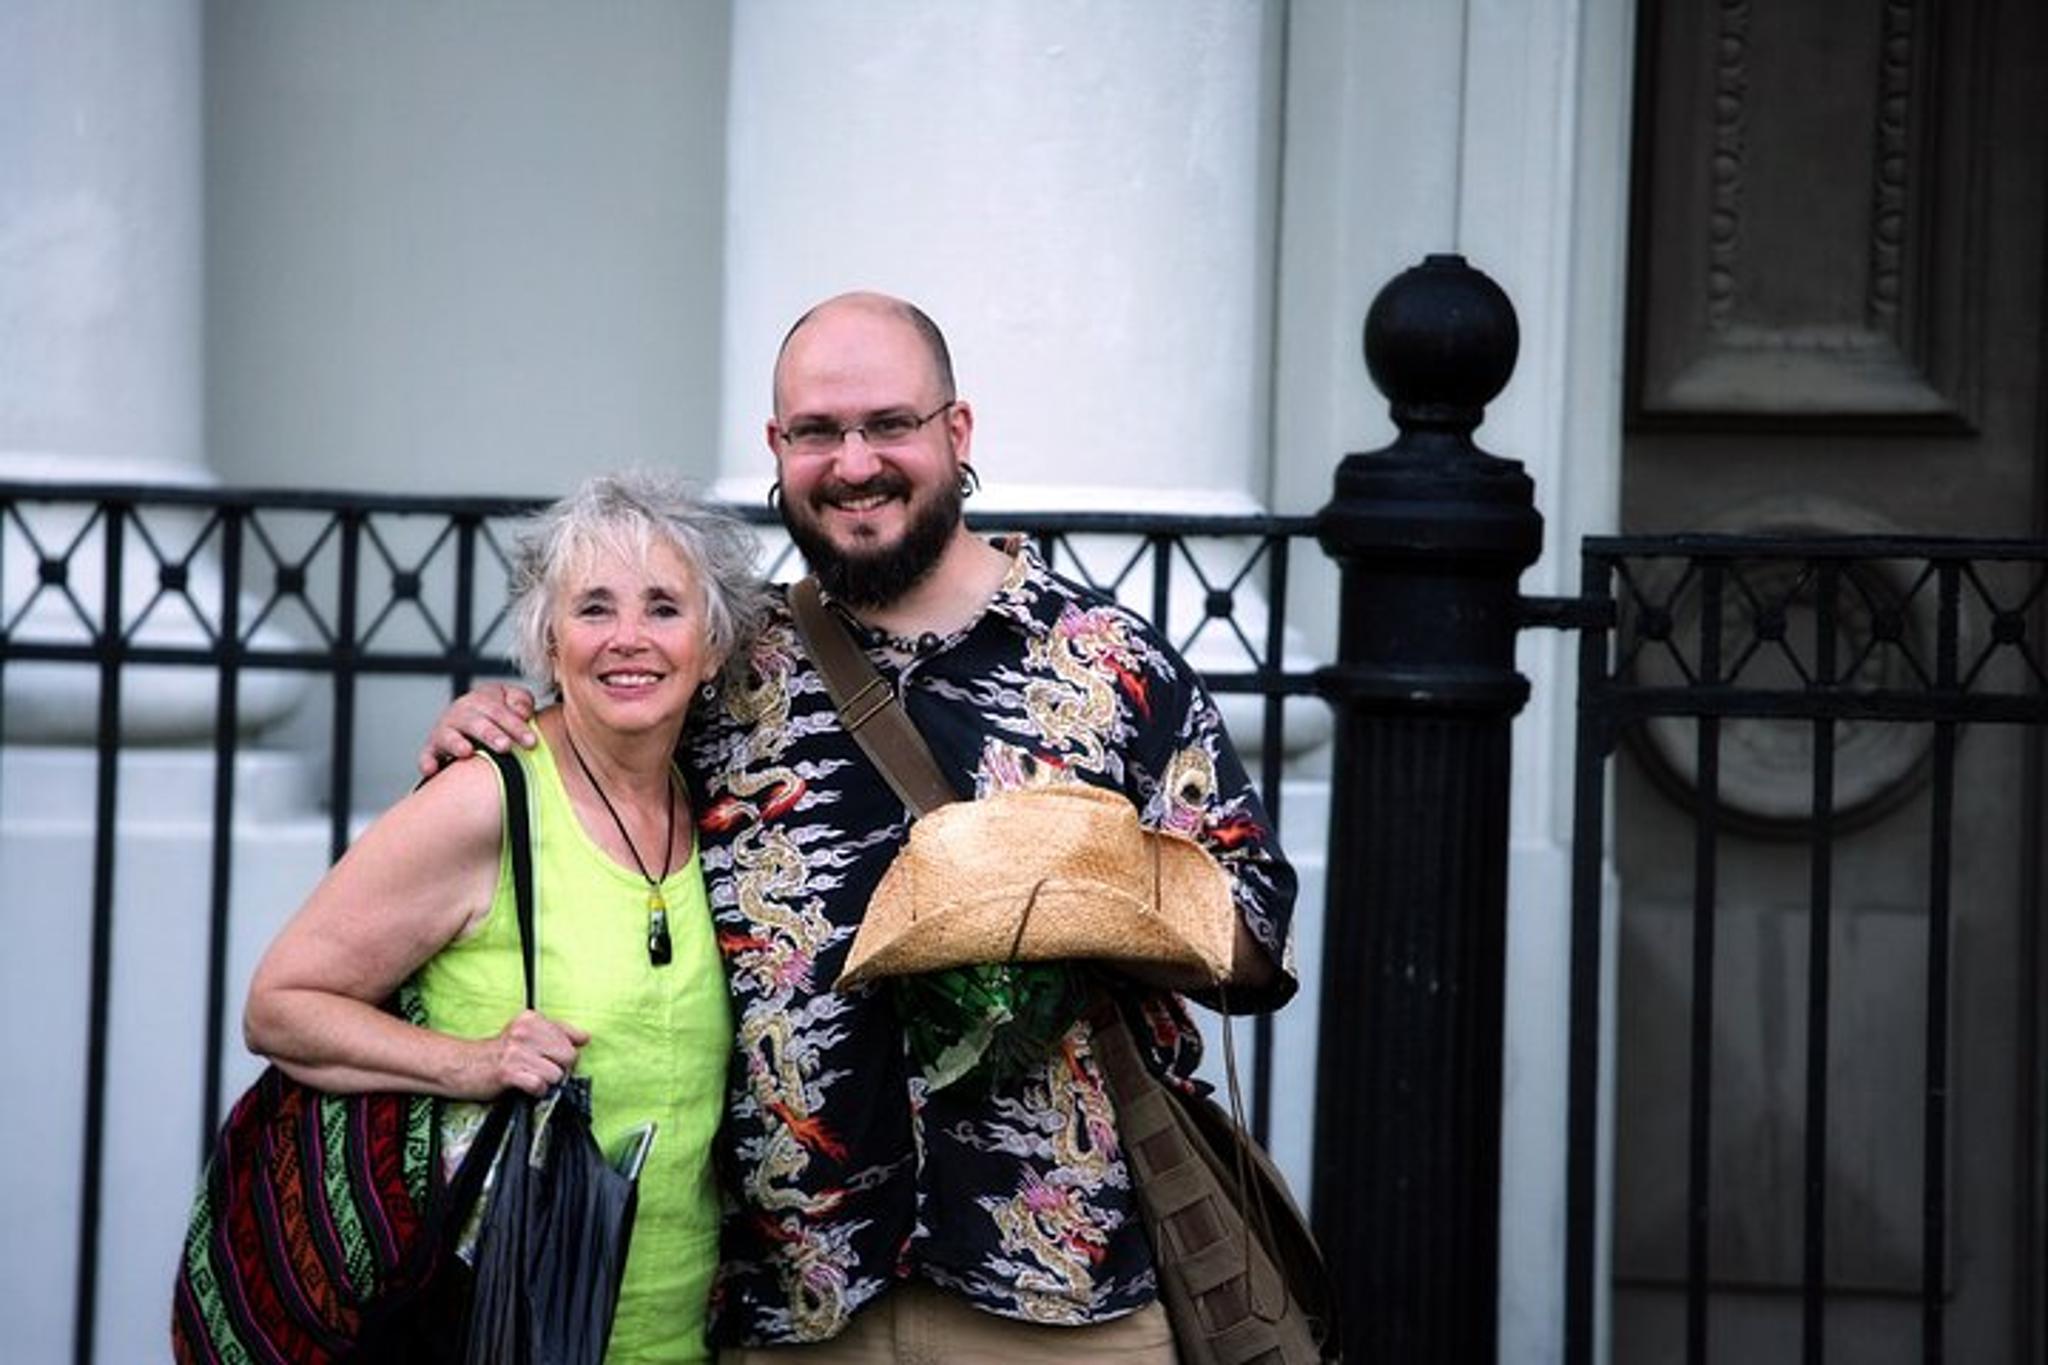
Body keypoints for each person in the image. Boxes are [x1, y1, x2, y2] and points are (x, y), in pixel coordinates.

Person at [420, 292, 1299, 1363]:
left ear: (956, 432)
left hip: (1060, 1300)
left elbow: (1254, 941)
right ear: (776, 448)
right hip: (793, 1298)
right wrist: (491, 724)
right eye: (817, 432)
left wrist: (1080, 890)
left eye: (888, 425)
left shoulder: (1104, 663)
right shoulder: (722, 670)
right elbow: (584, 769)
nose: (853, 463)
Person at [249, 471, 762, 1363]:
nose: (629, 637)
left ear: (711, 646)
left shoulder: (714, 802)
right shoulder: (488, 798)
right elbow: (280, 1005)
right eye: (594, 607)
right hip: (502, 1327)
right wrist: (474, 1062)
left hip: (680, 1331)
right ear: (549, 642)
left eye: (664, 607)